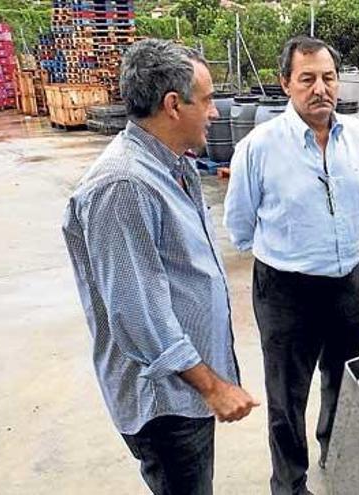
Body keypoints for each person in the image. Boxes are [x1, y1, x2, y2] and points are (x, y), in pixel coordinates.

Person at [61, 39, 259, 495]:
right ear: (173, 105)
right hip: (166, 405)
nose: (214, 112)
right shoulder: (124, 185)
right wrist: (212, 387)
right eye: (207, 99)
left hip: (184, 395)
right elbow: (137, 315)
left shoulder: (172, 166)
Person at [223, 36, 359, 495]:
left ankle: (333, 448)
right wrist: (286, 253)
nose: (320, 89)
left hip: (349, 279)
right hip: (286, 288)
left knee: (343, 378)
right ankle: (289, 483)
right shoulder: (260, 146)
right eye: (307, 79)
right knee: (287, 396)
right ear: (285, 83)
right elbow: (239, 224)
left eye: (328, 77)